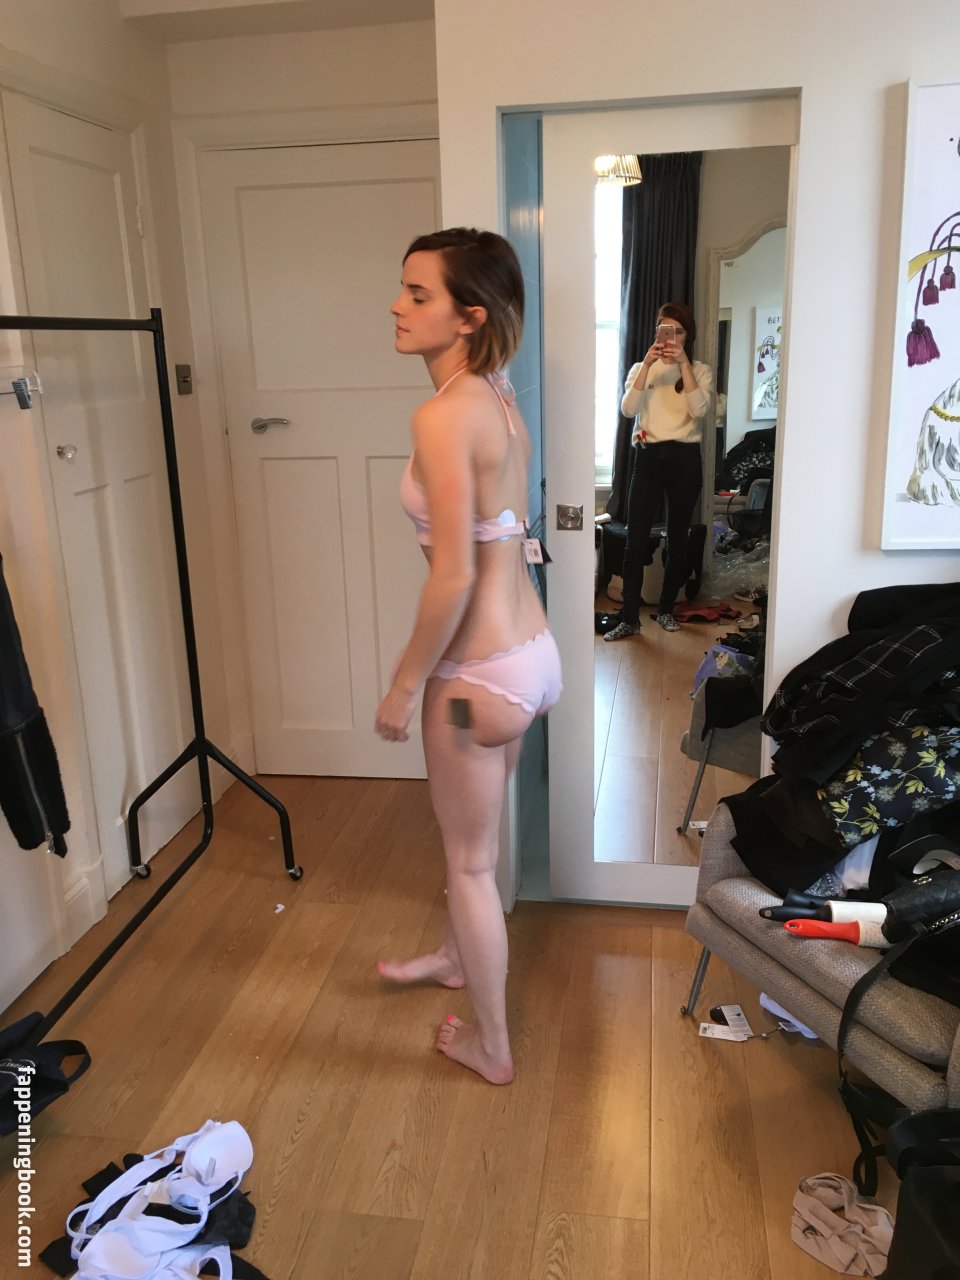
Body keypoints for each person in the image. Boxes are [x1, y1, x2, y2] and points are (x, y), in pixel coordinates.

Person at [374, 228, 562, 1085]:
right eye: (403, 288)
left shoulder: (444, 415)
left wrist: (404, 685)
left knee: (470, 863)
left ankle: (492, 1045)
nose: (397, 306)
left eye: (419, 294)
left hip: (475, 678)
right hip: (530, 656)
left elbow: (452, 574)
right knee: (474, 847)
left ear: (469, 315)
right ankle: (455, 958)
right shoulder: (498, 394)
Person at [604, 301, 713, 639]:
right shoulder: (642, 367)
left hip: (685, 458)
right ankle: (630, 618)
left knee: (678, 538)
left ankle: (666, 610)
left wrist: (683, 364)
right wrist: (648, 364)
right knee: (635, 539)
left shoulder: (699, 370)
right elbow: (628, 410)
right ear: (656, 332)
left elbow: (700, 411)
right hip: (648, 457)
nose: (672, 338)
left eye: (678, 332)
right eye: (666, 330)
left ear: (687, 335)